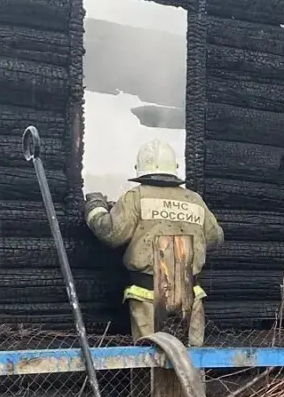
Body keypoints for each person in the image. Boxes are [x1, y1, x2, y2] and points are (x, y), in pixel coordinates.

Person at [84, 141, 224, 345]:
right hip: (189, 291)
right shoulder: (194, 199)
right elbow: (215, 238)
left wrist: (95, 207)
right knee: (189, 356)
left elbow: (111, 234)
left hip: (147, 293)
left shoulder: (136, 197)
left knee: (150, 355)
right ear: (174, 168)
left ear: (140, 168)